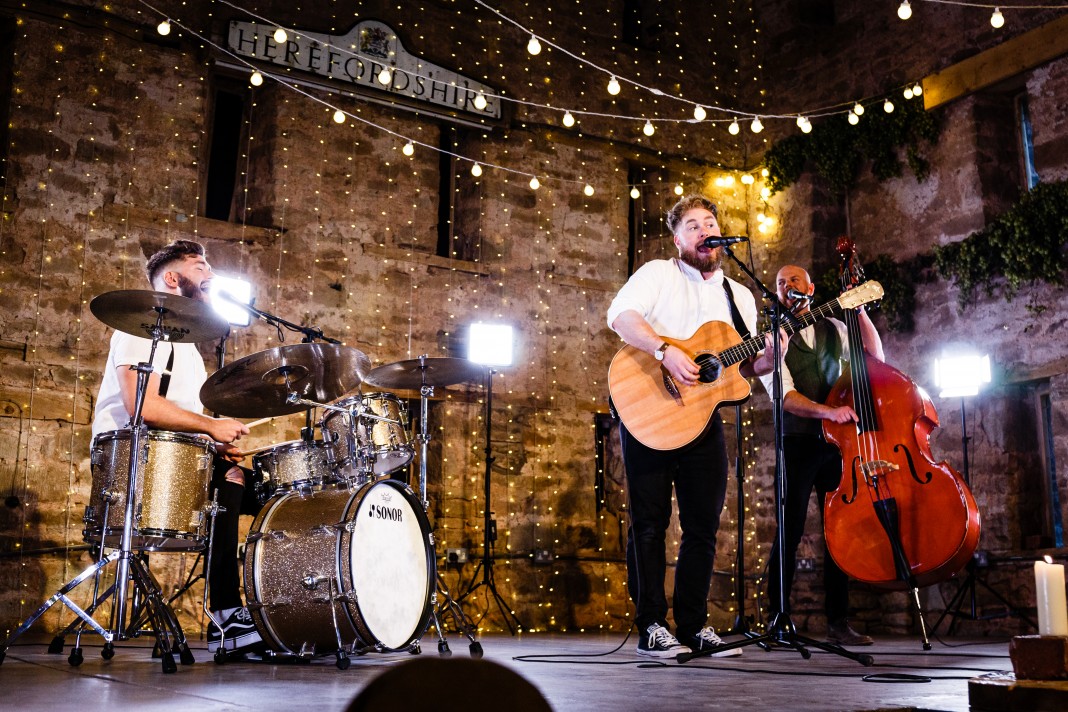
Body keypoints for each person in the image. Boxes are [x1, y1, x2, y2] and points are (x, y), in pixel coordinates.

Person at [606, 194, 784, 658]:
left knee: (703, 526)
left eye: (710, 222)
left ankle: (693, 625)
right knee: (649, 524)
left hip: (702, 420)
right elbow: (621, 317)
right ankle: (650, 625)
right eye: (692, 225)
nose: (704, 230)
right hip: (648, 409)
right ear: (677, 238)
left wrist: (773, 352)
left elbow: (744, 370)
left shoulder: (738, 295)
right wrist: (665, 352)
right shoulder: (658, 274)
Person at [91, 239, 262, 654]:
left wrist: (210, 440)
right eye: (201, 267)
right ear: (172, 277)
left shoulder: (186, 345)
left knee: (275, 492)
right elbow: (143, 406)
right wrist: (210, 426)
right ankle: (226, 614)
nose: (212, 276)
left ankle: (284, 610)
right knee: (230, 482)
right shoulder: (139, 328)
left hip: (178, 450)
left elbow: (180, 415)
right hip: (133, 454)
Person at [757, 264, 883, 647]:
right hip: (796, 444)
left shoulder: (837, 328)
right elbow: (786, 397)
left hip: (836, 446)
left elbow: (875, 356)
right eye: (780, 283)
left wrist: (857, 308)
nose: (786, 286)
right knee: (789, 532)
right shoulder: (771, 340)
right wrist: (828, 412)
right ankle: (778, 620)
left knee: (837, 533)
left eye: (794, 280)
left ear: (810, 287)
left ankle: (838, 622)